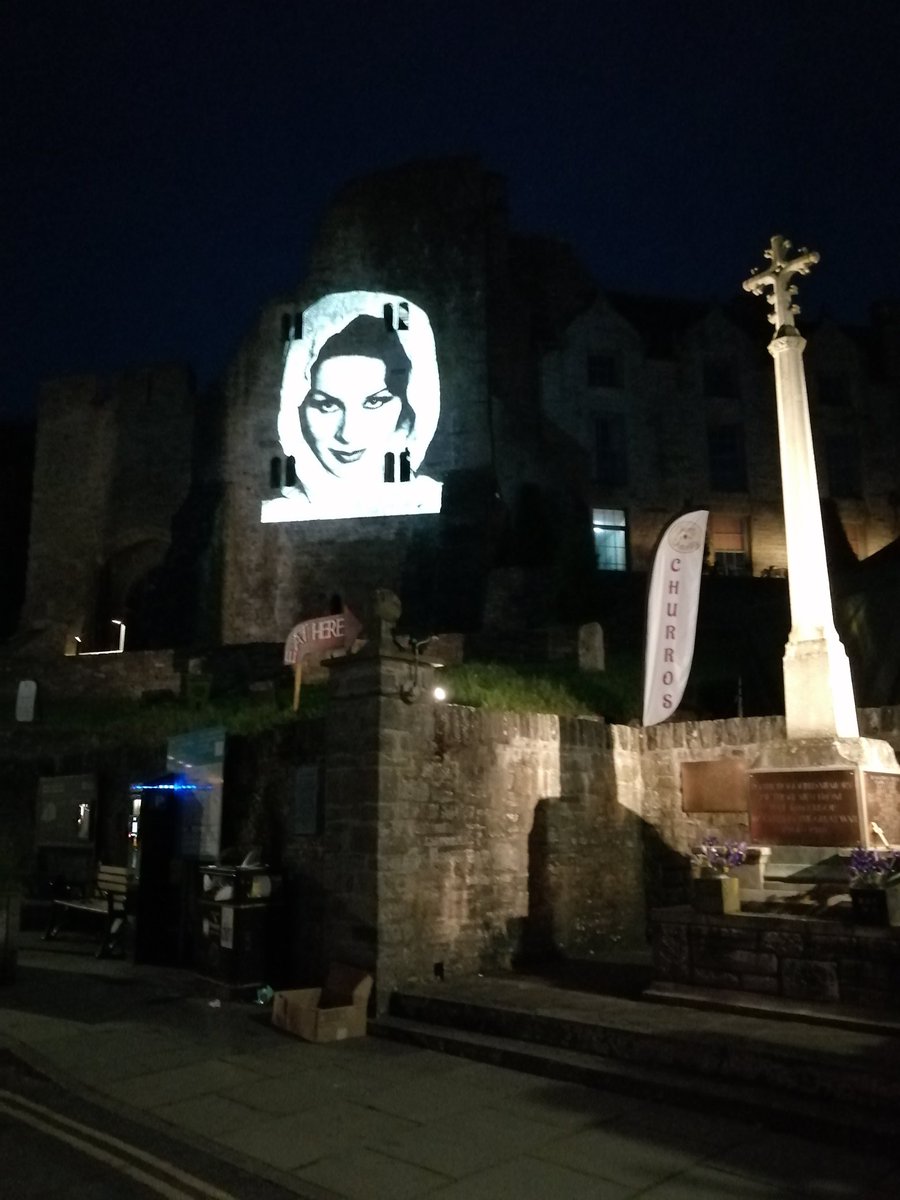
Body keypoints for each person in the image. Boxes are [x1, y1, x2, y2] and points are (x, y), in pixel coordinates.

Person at [261, 291, 442, 522]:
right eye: (326, 405)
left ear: (410, 408)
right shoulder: (276, 514)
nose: (348, 434)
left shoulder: (433, 501)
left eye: (374, 402)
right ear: (293, 408)